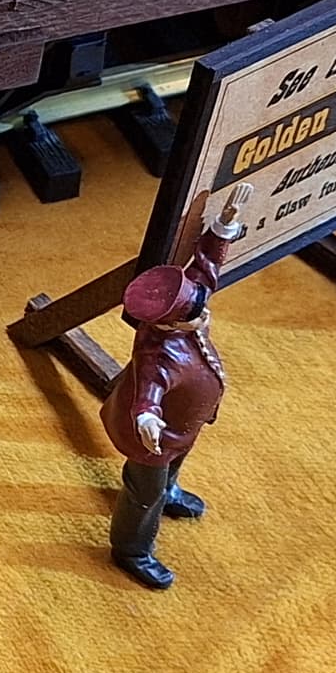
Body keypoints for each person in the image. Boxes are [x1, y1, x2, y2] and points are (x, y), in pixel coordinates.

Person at [103, 182, 254, 590]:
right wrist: (147, 420)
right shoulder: (159, 353)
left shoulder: (189, 305)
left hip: (183, 425)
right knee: (143, 494)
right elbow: (148, 392)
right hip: (154, 438)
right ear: (168, 323)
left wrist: (223, 225)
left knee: (175, 463)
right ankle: (131, 549)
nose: (204, 317)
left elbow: (205, 266)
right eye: (194, 315)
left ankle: (169, 489)